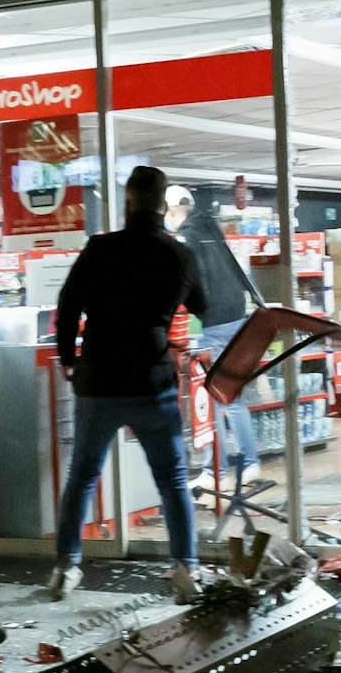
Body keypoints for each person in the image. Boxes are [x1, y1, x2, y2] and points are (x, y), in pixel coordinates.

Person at [52, 166, 209, 605]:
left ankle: (65, 567)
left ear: (127, 202)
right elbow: (203, 304)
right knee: (173, 480)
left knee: (82, 477)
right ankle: (185, 569)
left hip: (99, 382)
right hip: (151, 384)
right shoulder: (178, 255)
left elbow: (68, 308)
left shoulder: (99, 249)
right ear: (164, 206)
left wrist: (68, 358)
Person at [168, 183, 263, 488]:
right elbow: (233, 270)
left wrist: (189, 309)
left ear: (171, 209)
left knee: (211, 402)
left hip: (214, 324)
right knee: (231, 398)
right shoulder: (211, 227)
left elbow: (193, 282)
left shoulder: (188, 237)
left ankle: (216, 472)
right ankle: (246, 464)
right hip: (237, 317)